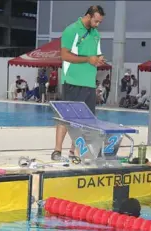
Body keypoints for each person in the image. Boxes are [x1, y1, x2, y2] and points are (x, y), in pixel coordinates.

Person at [51, 5, 105, 162]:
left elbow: (96, 55)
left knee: (84, 120)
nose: (98, 24)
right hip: (73, 81)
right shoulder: (71, 30)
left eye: (100, 22)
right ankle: (57, 151)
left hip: (89, 83)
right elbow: (65, 55)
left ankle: (73, 152)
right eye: (96, 21)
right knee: (66, 117)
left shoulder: (96, 34)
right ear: (88, 16)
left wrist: (99, 60)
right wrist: (88, 59)